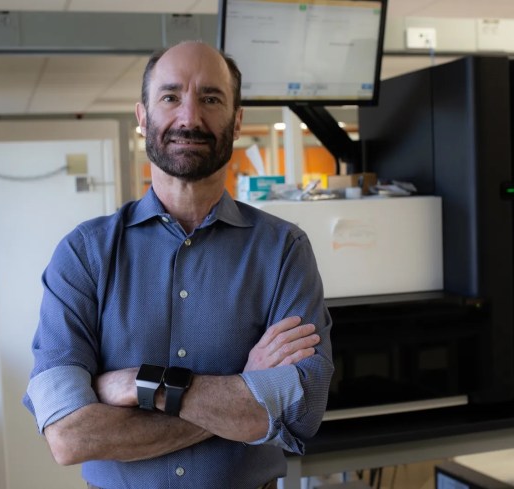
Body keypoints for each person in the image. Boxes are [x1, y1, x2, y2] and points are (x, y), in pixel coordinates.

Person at [23, 40, 333, 489]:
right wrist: (244, 390)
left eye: (211, 98)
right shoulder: (83, 254)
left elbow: (303, 408)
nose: (189, 118)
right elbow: (69, 437)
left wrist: (137, 385)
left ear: (237, 120)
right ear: (143, 117)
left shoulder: (284, 250)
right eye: (170, 97)